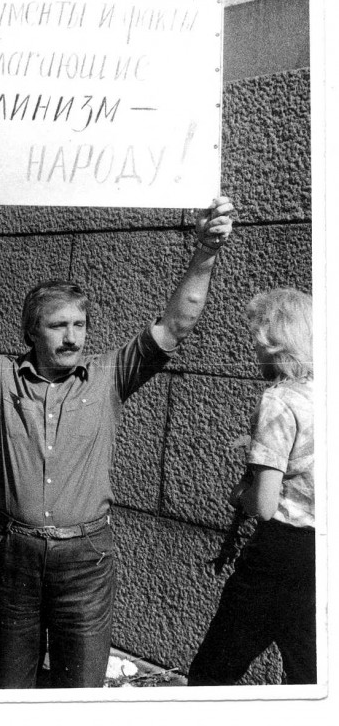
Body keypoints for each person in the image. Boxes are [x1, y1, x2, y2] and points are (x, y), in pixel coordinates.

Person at [0, 183, 234, 689]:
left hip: (86, 561)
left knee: (81, 693)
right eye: (58, 326)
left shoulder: (109, 378)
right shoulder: (1, 380)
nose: (72, 336)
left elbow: (176, 326)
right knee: (11, 688)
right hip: (16, 559)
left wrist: (205, 251)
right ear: (33, 332)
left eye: (79, 324)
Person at [188, 288, 315, 686]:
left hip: (280, 554)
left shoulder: (279, 401)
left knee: (212, 673)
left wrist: (239, 492)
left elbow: (263, 504)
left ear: (277, 345)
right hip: (323, 554)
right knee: (309, 673)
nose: (254, 351)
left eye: (258, 343)